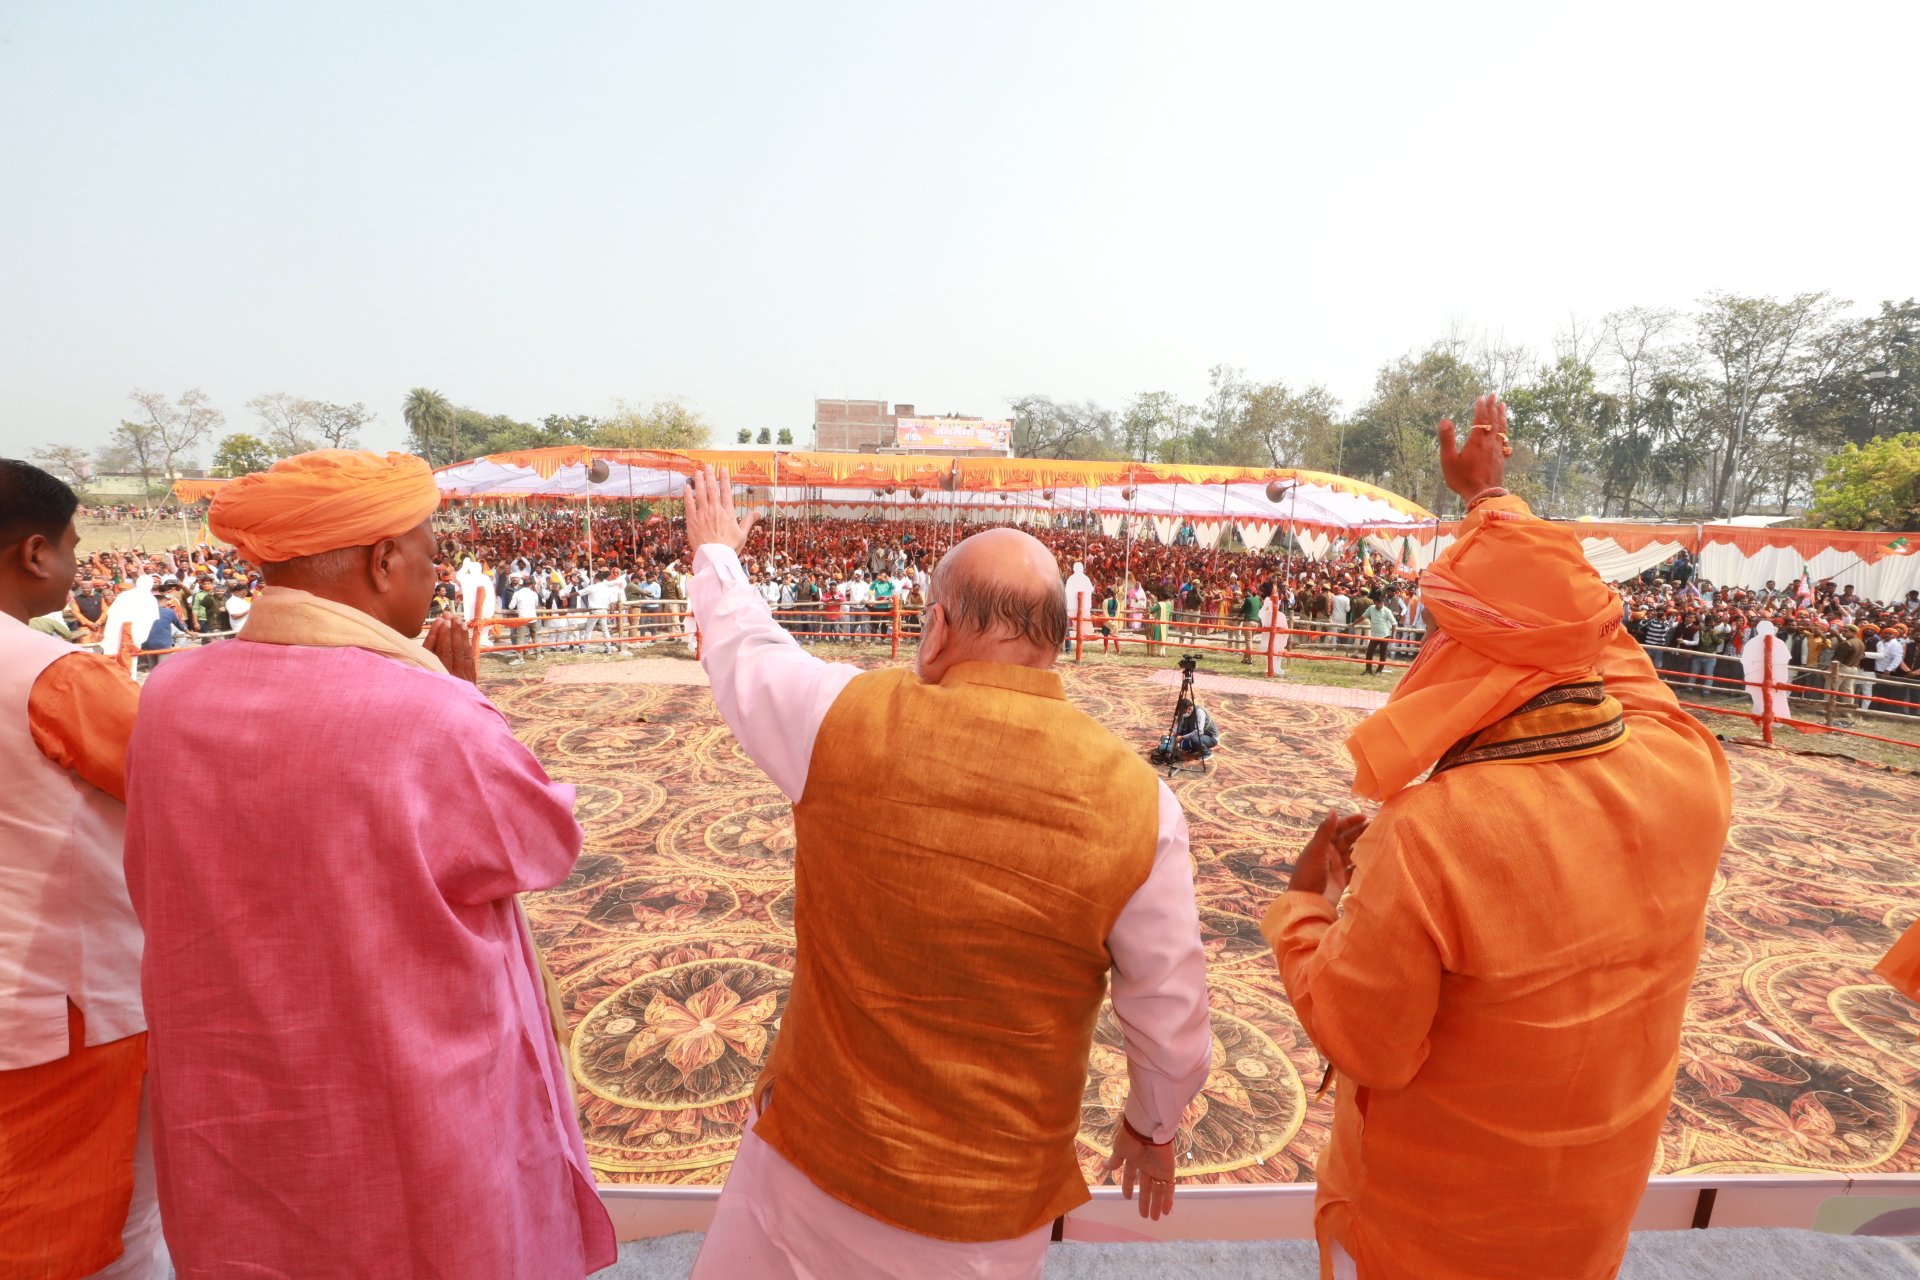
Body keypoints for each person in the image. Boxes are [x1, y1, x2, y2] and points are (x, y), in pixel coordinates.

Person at [680, 466, 1210, 1280]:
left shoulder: (842, 722)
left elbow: (749, 654)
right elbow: (1172, 1022)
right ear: (1055, 642)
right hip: (983, 1220)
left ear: (933, 631)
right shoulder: (1144, 806)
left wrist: (717, 554)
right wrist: (1151, 1130)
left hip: (811, 1160)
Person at [1263, 397, 1731, 1279]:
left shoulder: (1431, 833)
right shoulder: (1688, 765)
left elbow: (1366, 1044)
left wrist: (1301, 906)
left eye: (1443, 628)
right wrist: (1492, 502)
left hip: (1436, 1231)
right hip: (1592, 1205)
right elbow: (1591, 632)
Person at [122, 450, 616, 1279]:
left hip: (236, 1083)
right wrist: (469, 702)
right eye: (429, 550)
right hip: (403, 1087)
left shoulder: (172, 693)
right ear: (383, 560)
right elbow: (540, 843)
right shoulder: (429, 712)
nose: (437, 570)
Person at [0, 459, 166, 1280]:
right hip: (59, 1009)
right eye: (72, 545)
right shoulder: (49, 674)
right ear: (35, 554)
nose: (74, 564)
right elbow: (185, 792)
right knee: (101, 1230)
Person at [1357, 592, 1395, 675]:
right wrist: (1354, 623)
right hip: (1374, 635)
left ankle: (1379, 670)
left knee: (1382, 653)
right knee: (1369, 652)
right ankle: (1368, 669)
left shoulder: (1387, 611)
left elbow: (1394, 623)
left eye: (1381, 603)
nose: (1379, 605)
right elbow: (1363, 617)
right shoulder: (1371, 608)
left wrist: (1393, 635)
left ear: (1383, 603)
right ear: (1374, 602)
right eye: (1378, 603)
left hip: (1385, 635)